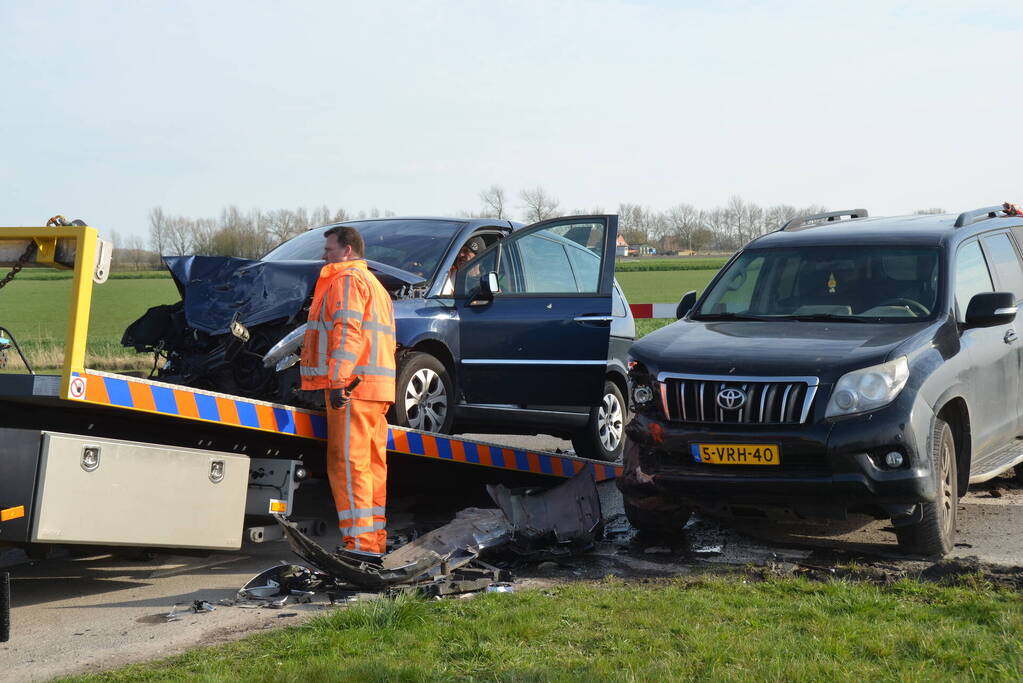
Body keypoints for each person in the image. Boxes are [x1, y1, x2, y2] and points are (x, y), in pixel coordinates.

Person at [300, 226, 396, 559]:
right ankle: (373, 540)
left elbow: (347, 333)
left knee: (349, 467)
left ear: (348, 250)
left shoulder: (347, 281)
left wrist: (339, 381)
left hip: (353, 387)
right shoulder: (375, 285)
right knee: (371, 466)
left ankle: (359, 546)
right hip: (376, 388)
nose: (324, 255)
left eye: (329, 249)